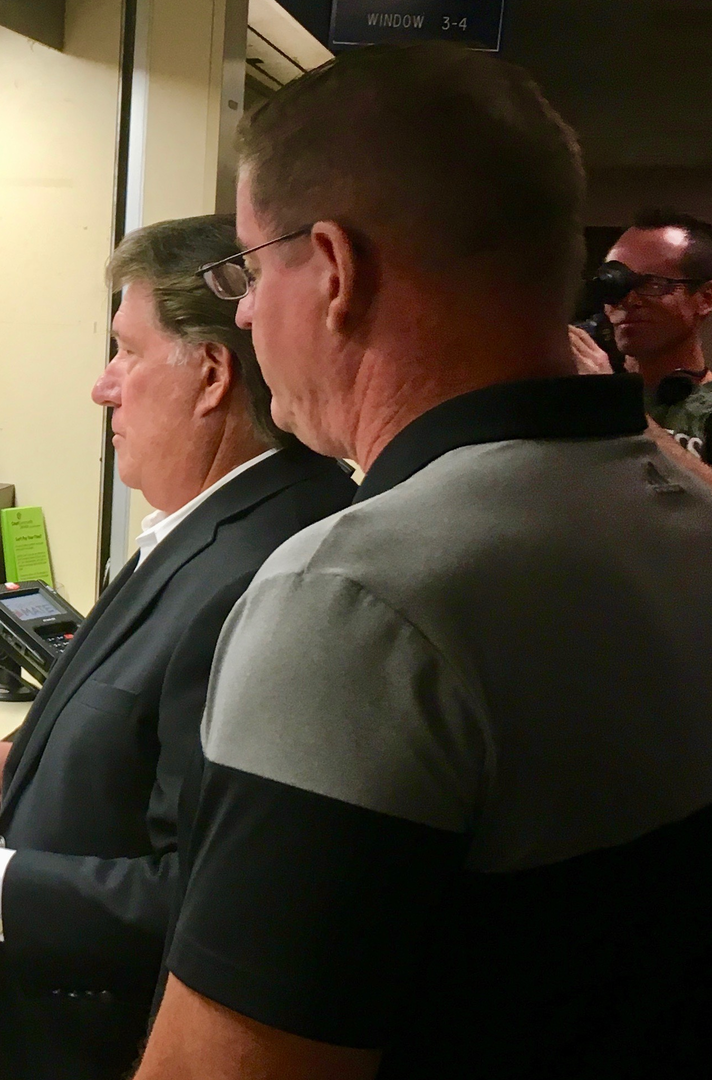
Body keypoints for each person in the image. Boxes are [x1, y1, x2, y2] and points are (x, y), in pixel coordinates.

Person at [136, 43, 712, 1080]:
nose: (248, 311)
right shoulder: (688, 512)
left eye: (253, 272)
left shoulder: (356, 601)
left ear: (337, 271)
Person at [0, 216, 356, 1080]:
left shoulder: (259, 571)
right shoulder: (207, 527)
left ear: (211, 374)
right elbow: (167, 758)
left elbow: (212, 897)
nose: (102, 387)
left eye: (125, 351)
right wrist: (29, 766)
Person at [601, 210, 712, 455]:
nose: (628, 300)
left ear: (706, 298)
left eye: (652, 284)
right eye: (616, 284)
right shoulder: (589, 402)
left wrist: (623, 412)